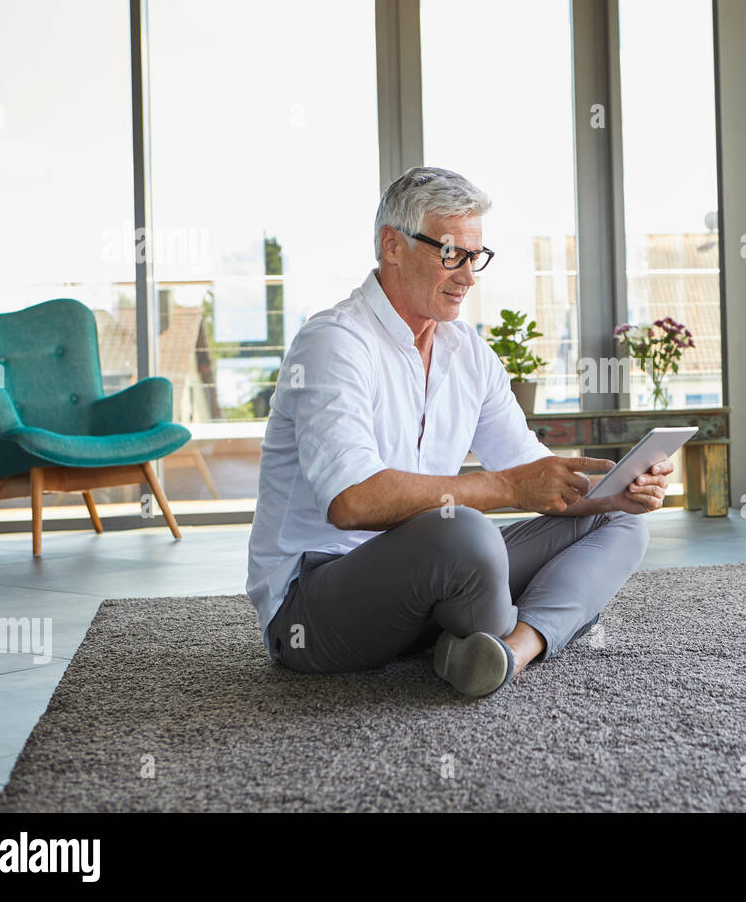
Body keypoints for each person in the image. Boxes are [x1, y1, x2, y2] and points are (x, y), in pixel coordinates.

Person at [245, 166, 672, 696]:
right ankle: (524, 623)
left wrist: (617, 488)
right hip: (314, 608)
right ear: (392, 245)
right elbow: (352, 501)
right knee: (464, 531)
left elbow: (531, 470)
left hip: (428, 588)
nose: (468, 276)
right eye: (451, 254)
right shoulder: (334, 343)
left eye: (476, 256)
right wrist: (509, 488)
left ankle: (509, 651)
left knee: (618, 522)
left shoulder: (467, 351)